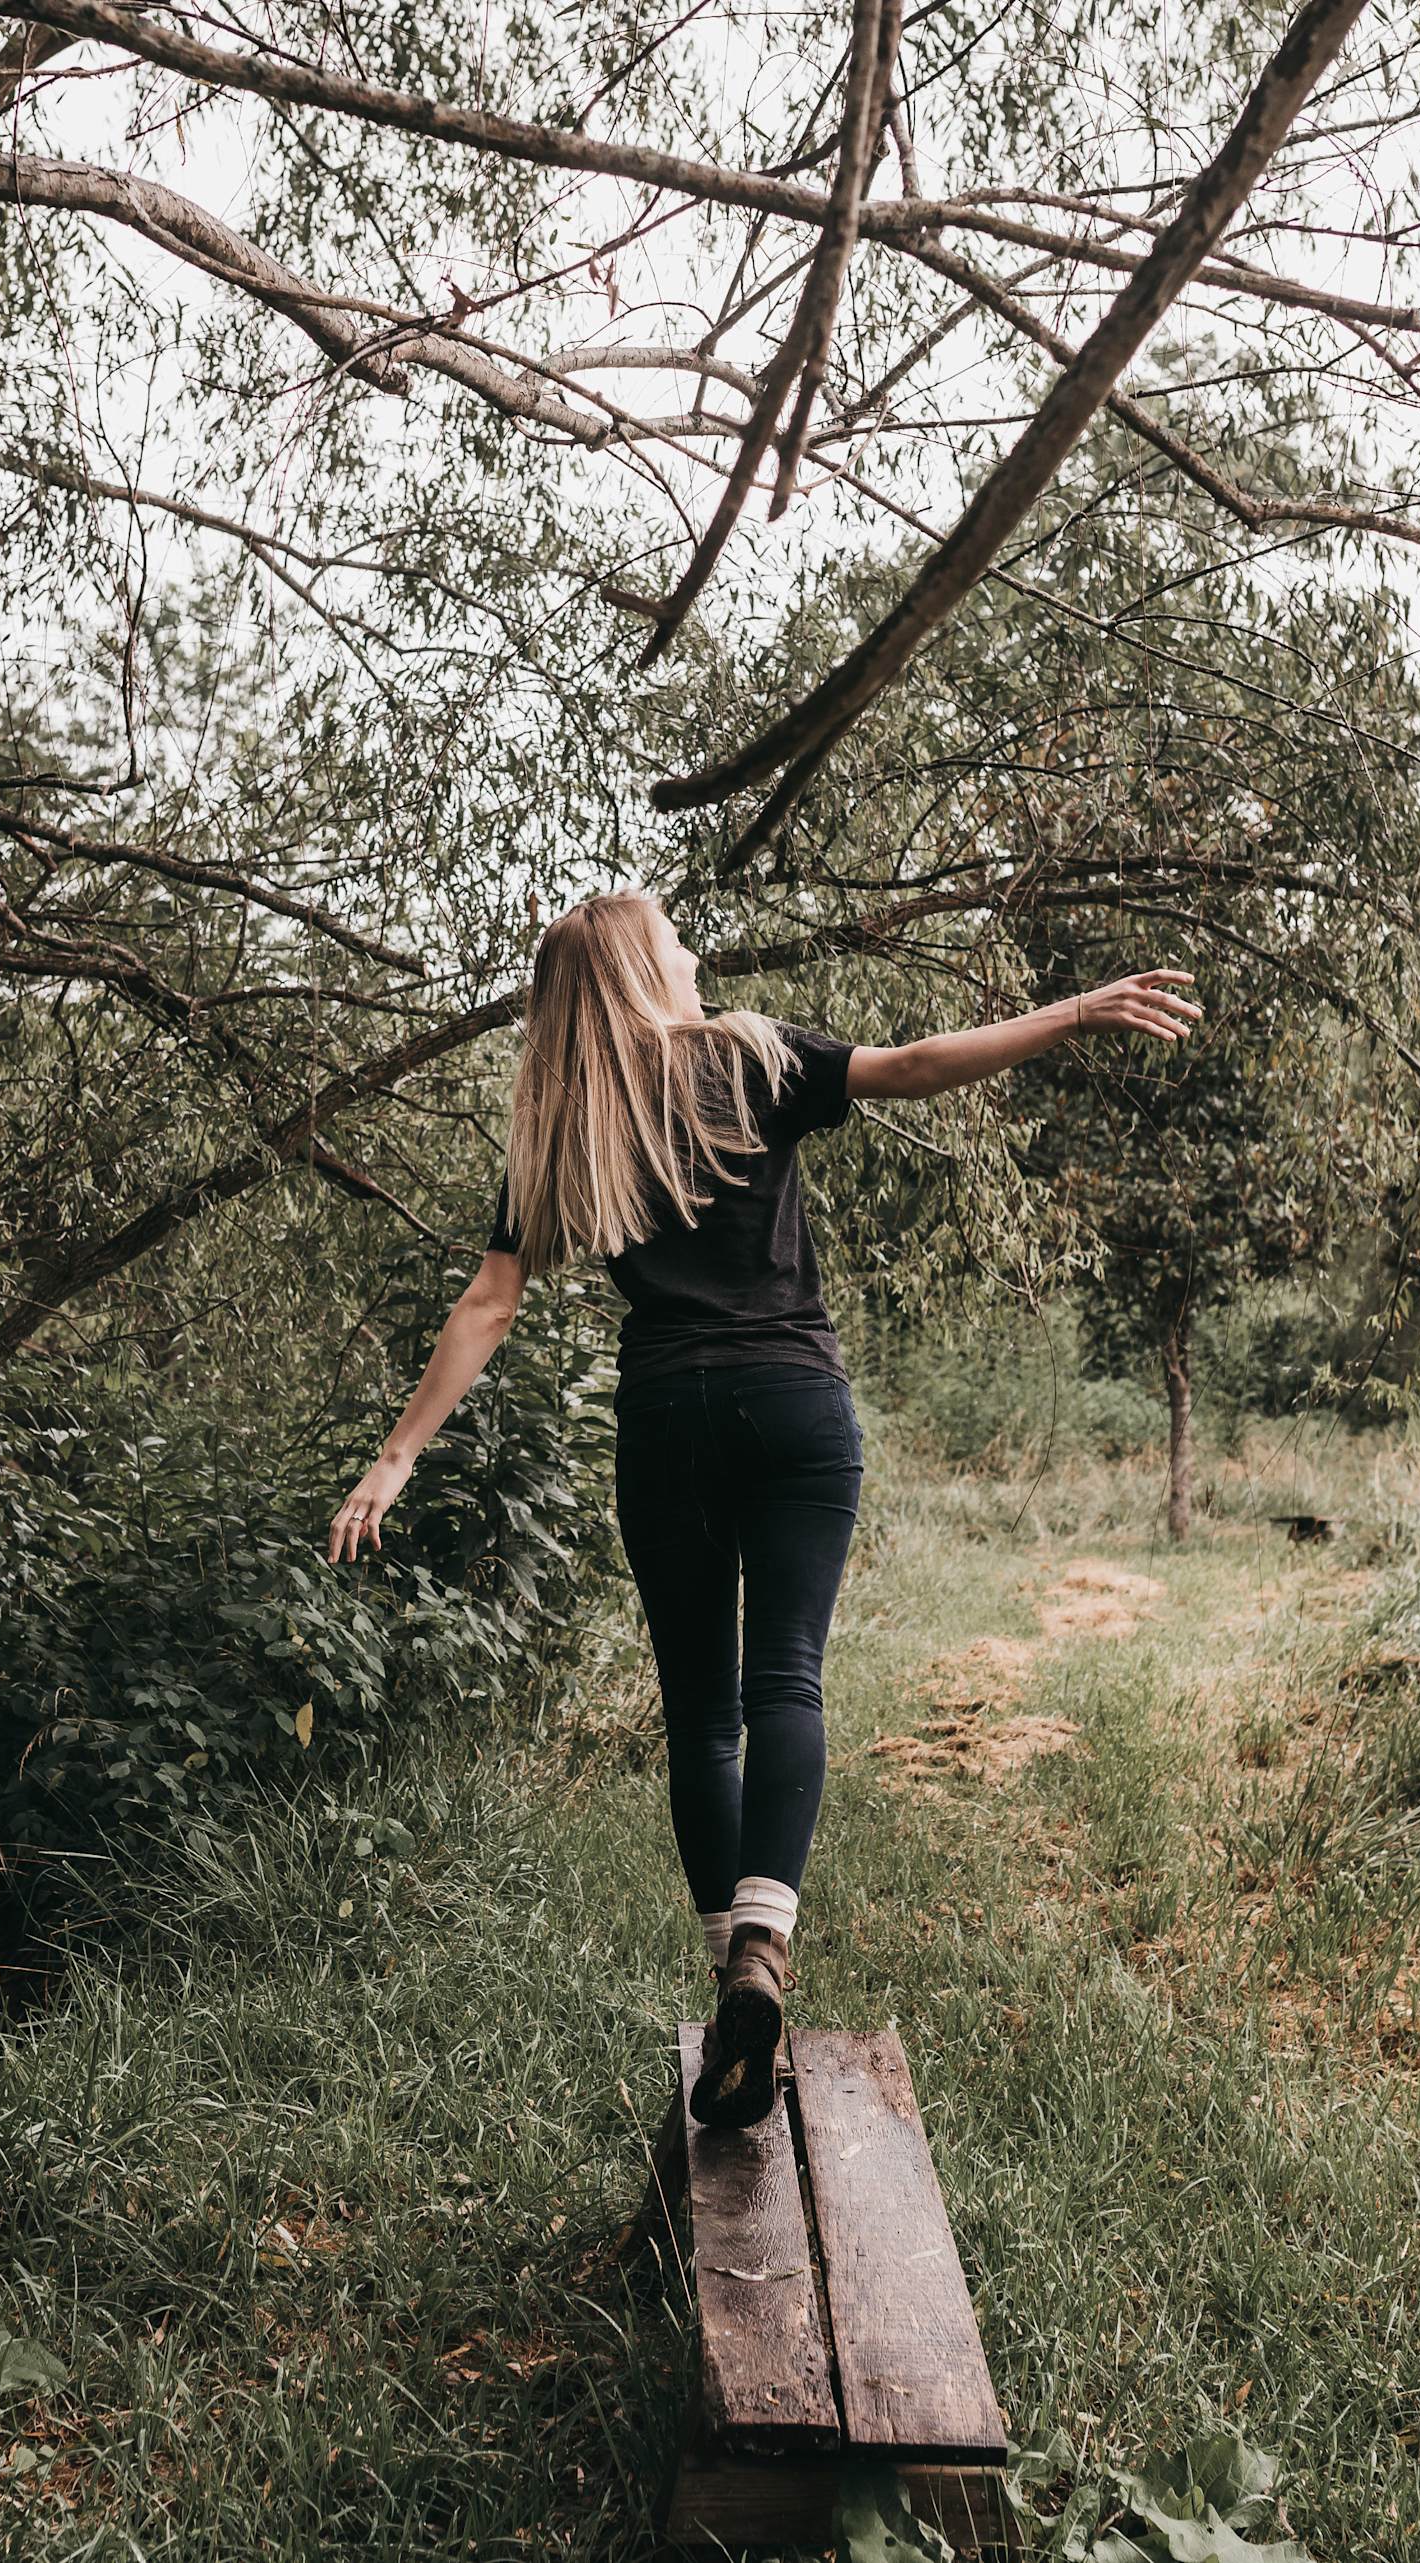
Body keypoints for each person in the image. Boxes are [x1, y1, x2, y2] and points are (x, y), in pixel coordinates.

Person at [326, 890, 1199, 2126]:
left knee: (702, 1710)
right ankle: (762, 1954)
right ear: (644, 968)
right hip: (792, 1403)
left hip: (666, 1422)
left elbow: (490, 1302)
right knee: (786, 1676)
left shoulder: (567, 1121)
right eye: (673, 937)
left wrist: (397, 1457)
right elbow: (916, 1064)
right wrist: (1072, 1012)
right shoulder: (744, 1053)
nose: (691, 951)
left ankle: (731, 1977)